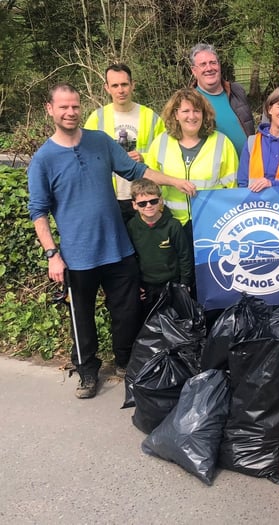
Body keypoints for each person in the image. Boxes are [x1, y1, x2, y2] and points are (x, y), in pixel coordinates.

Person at [27, 83, 196, 399]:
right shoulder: (44, 159)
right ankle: (87, 372)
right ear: (50, 109)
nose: (70, 112)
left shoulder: (100, 142)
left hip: (117, 249)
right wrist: (52, 254)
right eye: (63, 107)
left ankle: (125, 362)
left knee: (127, 311)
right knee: (82, 318)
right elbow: (38, 211)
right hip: (77, 256)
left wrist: (175, 182)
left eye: (75, 106)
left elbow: (135, 170)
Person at [145, 88, 239, 246]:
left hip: (212, 224)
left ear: (204, 114)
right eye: (185, 111)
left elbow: (233, 189)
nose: (192, 116)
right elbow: (148, 180)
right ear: (176, 114)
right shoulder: (160, 142)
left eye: (197, 110)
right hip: (170, 224)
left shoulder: (222, 143)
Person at [84, 63, 165, 223]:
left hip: (145, 199)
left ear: (132, 85)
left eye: (124, 84)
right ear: (107, 88)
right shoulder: (96, 118)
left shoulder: (151, 117)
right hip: (110, 198)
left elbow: (166, 154)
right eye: (115, 85)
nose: (120, 90)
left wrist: (144, 158)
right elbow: (86, 158)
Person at [127, 179, 194, 317]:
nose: (148, 206)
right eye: (142, 203)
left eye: (153, 201)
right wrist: (136, 284)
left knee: (178, 325)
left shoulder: (173, 225)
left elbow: (184, 256)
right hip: (148, 287)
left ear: (161, 200)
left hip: (173, 285)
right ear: (134, 205)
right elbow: (131, 259)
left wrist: (185, 283)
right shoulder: (132, 227)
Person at [189, 43, 254, 156]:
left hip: (249, 167)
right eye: (203, 64)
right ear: (194, 71)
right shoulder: (189, 101)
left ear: (219, 65)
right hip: (217, 171)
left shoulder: (237, 91)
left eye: (213, 63)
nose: (209, 68)